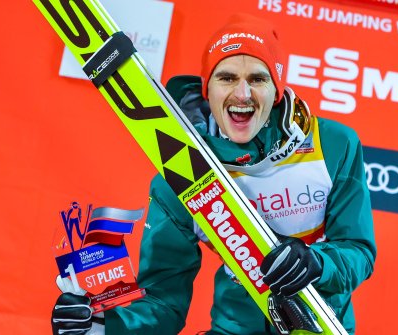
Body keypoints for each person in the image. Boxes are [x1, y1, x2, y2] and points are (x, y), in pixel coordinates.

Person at [52, 13, 376, 335]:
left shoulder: (331, 144)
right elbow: (163, 303)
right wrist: (101, 327)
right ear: (207, 88)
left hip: (317, 323)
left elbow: (358, 251)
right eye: (227, 77)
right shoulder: (181, 173)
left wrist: (318, 264)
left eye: (258, 79)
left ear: (277, 90)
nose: (243, 94)